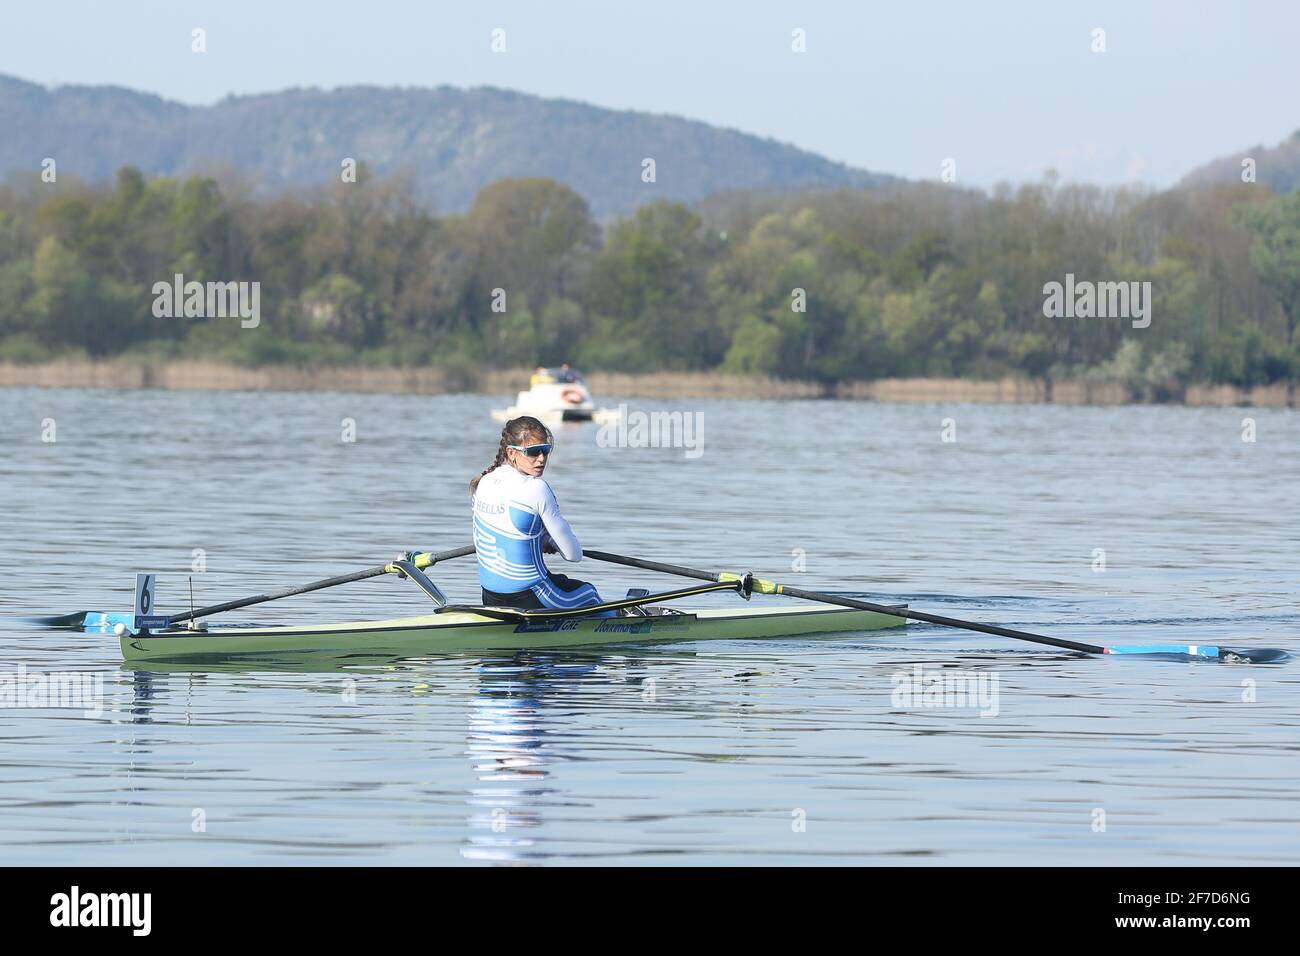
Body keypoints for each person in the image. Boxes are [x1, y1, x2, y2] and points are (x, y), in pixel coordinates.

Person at [469, 416, 610, 613]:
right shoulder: (537, 488)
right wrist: (550, 542)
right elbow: (573, 555)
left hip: (490, 596)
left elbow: (502, 533)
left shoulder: (483, 482)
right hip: (532, 597)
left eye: (545, 450)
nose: (541, 458)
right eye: (533, 452)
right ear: (511, 452)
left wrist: (539, 539)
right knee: (588, 592)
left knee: (561, 581)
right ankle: (616, 630)